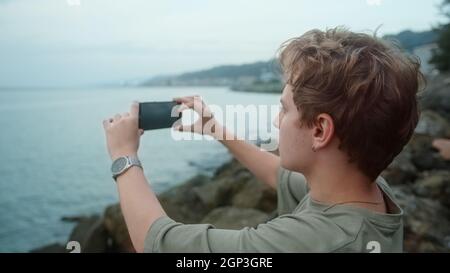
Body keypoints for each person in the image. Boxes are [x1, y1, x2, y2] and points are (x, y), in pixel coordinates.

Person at [102, 27, 423, 253]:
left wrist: (124, 155)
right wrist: (215, 129)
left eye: (284, 109)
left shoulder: (309, 242)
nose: (275, 120)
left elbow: (156, 242)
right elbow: (278, 176)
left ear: (320, 131)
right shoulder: (367, 189)